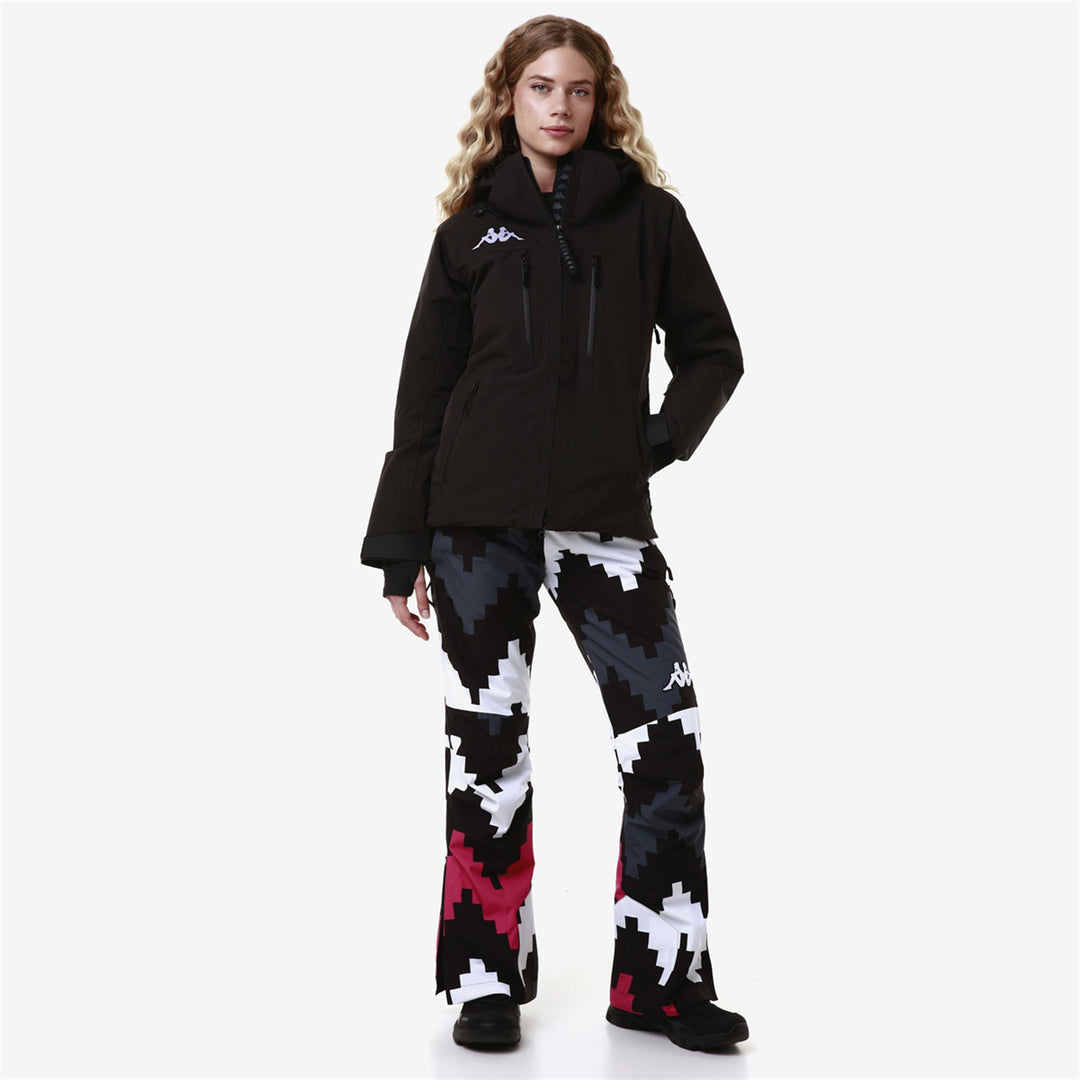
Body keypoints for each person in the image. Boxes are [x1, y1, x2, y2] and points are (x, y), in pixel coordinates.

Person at [359, 15, 748, 1054]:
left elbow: (714, 351)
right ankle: (485, 982)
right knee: (486, 751)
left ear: (601, 101)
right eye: (541, 87)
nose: (560, 106)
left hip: (603, 519)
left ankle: (661, 984)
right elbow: (425, 396)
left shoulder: (650, 220)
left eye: (579, 89)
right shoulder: (469, 233)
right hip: (473, 524)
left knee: (666, 744)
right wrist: (400, 546)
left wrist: (653, 441)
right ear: (509, 99)